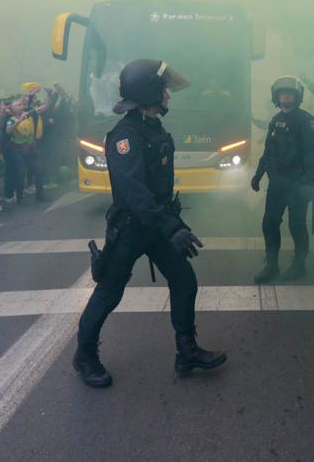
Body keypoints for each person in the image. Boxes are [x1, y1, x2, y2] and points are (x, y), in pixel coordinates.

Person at [73, 59, 225, 388]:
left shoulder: (153, 128)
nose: (168, 94)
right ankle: (84, 356)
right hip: (131, 228)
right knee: (109, 293)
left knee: (185, 281)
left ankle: (186, 351)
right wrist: (170, 227)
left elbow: (158, 191)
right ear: (150, 92)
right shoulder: (125, 136)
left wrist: (176, 223)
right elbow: (133, 193)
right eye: (163, 88)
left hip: (156, 226)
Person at [250, 76, 314, 284]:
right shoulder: (275, 120)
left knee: (297, 225)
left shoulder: (307, 120)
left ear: (297, 97)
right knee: (269, 223)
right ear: (277, 96)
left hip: (298, 184)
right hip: (277, 183)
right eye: (282, 93)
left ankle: (299, 266)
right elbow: (268, 151)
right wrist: (258, 175)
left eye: (290, 93)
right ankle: (271, 265)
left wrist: (306, 180)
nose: (286, 96)